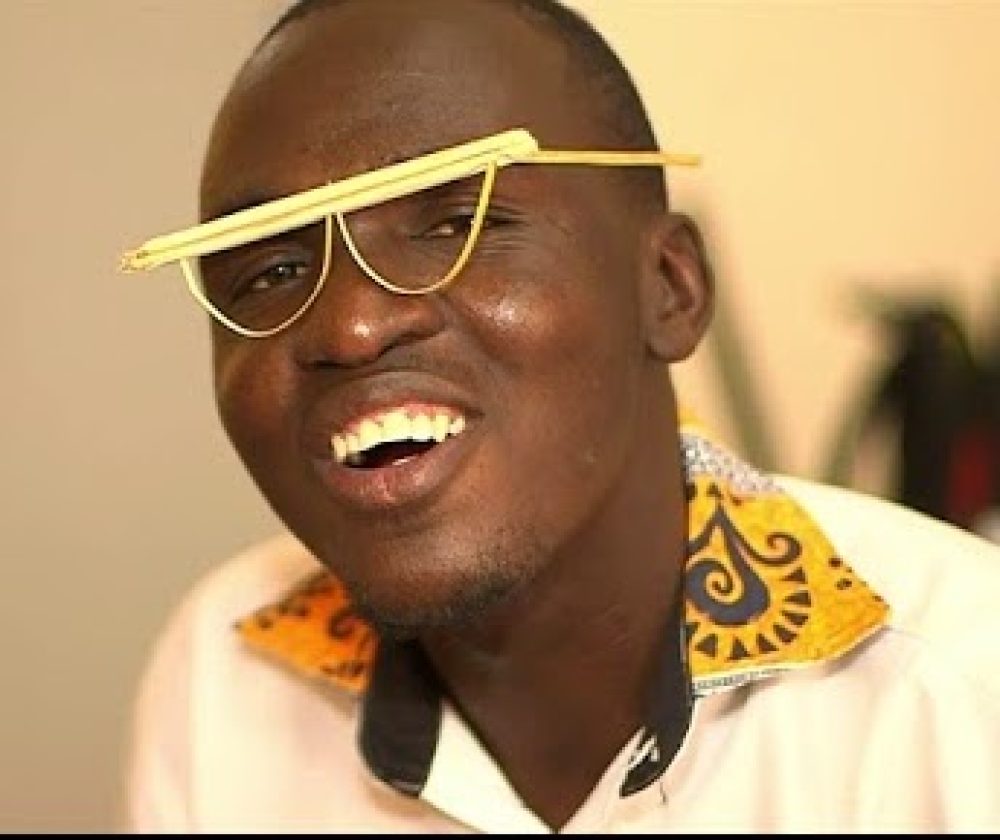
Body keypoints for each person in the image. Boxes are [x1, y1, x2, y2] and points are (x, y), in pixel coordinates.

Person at [120, 0, 1000, 832]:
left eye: (457, 223)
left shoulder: (959, 698)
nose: (350, 326)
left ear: (669, 288)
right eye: (270, 273)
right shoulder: (224, 681)